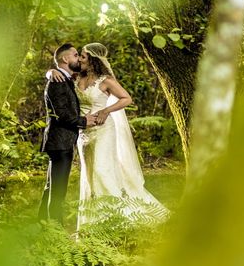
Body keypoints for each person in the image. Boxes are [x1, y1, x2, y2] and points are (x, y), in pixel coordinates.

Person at [50, 42, 168, 229]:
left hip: (104, 130)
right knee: (89, 175)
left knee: (102, 170)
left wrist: (106, 111)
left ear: (93, 60)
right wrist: (49, 72)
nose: (79, 58)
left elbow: (127, 98)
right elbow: (58, 75)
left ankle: (114, 220)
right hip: (83, 134)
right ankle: (93, 222)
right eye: (78, 55)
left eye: (83, 56)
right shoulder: (75, 77)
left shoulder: (105, 80)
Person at [39, 43, 96, 225]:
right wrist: (84, 121)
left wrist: (50, 70)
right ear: (65, 59)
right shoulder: (57, 82)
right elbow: (63, 115)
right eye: (75, 55)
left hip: (61, 141)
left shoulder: (64, 78)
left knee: (51, 187)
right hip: (60, 142)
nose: (78, 58)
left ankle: (42, 224)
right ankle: (56, 232)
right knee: (58, 191)